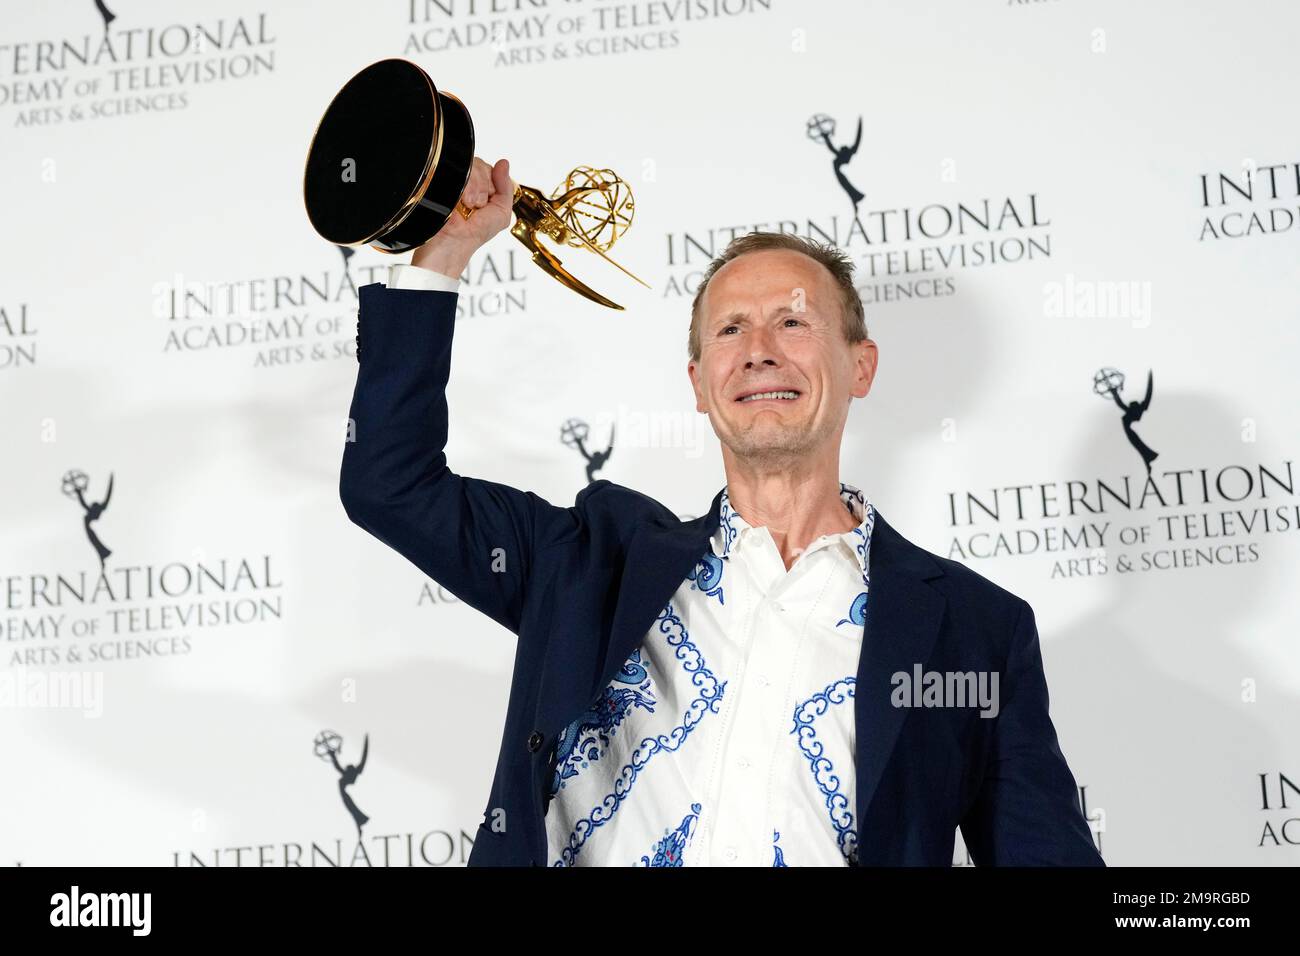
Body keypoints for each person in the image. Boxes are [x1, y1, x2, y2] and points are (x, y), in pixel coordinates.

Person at [339, 156, 1104, 867]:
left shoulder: (975, 630)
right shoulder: (585, 563)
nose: (759, 349)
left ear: (860, 366)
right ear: (701, 383)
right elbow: (389, 483)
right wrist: (443, 257)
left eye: (793, 322)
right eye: (731, 329)